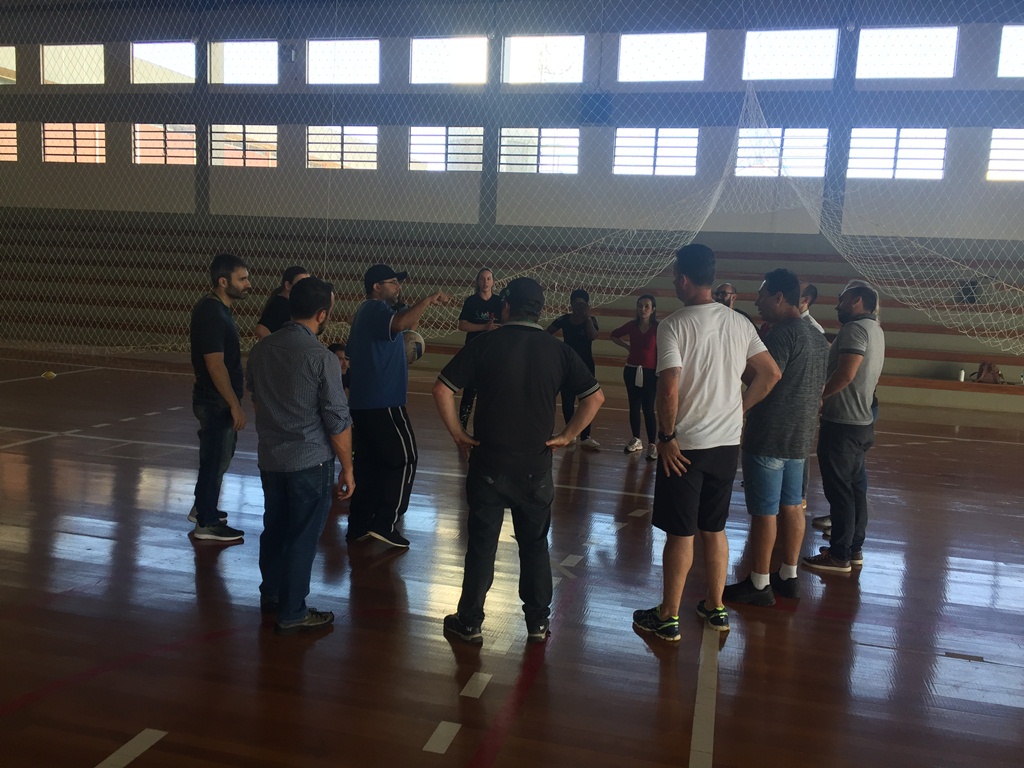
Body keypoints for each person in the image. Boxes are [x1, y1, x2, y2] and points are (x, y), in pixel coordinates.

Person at [432, 277, 605, 645]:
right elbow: (595, 398)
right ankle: (538, 622)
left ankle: (470, 621)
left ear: (506, 307)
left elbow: (442, 388)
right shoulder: (558, 350)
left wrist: (459, 435)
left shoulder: (486, 343)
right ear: (540, 310)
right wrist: (567, 436)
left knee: (482, 545)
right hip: (535, 469)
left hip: (488, 465)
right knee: (535, 545)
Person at [633, 244, 780, 640]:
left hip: (685, 447)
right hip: (726, 444)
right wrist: (740, 409)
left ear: (683, 279)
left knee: (680, 533)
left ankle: (668, 616)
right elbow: (770, 374)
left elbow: (668, 386)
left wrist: (666, 436)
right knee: (714, 529)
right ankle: (716, 608)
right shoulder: (739, 323)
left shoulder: (674, 324)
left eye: (673, 276)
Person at [246, 277, 355, 635]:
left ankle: (272, 594)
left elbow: (256, 398)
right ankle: (293, 611)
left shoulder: (261, 350)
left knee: (274, 529)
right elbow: (337, 421)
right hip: (310, 461)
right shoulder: (322, 358)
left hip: (271, 459)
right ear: (322, 314)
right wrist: (348, 468)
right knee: (303, 536)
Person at [722, 269, 829, 606]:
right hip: (800, 438)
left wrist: (739, 408)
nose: (757, 301)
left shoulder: (782, 334)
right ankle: (789, 575)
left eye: (762, 295)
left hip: (769, 435)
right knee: (793, 505)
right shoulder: (817, 336)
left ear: (779, 298)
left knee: (765, 512)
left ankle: (759, 583)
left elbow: (767, 377)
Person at [345, 264, 450, 548]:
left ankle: (359, 525)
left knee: (369, 464)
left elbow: (403, 326)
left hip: (365, 404)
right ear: (376, 287)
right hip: (384, 402)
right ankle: (385, 523)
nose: (398, 287)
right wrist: (427, 300)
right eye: (392, 282)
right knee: (405, 457)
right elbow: (400, 324)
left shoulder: (367, 314)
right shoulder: (375, 309)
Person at [803, 280, 885, 573]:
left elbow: (847, 372)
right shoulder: (875, 329)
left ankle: (839, 555)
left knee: (840, 492)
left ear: (857, 300)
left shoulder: (854, 329)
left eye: (842, 299)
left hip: (843, 424)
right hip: (861, 423)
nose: (837, 305)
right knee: (855, 489)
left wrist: (819, 396)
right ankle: (854, 548)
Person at [188, 253, 251, 542]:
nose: (248, 284)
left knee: (219, 457)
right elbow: (215, 364)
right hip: (215, 401)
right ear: (223, 282)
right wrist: (233, 404)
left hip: (218, 400)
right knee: (214, 459)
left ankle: (203, 507)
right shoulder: (211, 313)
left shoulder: (219, 309)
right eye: (242, 279)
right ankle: (206, 523)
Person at [546, 288, 601, 449]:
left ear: (587, 305)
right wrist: (557, 350)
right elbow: (547, 333)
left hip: (586, 365)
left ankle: (586, 436)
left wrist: (587, 317)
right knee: (567, 400)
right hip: (567, 364)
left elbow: (593, 336)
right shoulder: (564, 319)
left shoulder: (591, 320)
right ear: (571, 304)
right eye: (575, 304)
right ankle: (571, 434)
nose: (578, 307)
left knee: (587, 399)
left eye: (582, 304)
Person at [610, 294, 659, 461]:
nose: (642, 309)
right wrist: (627, 347)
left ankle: (652, 444)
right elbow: (614, 335)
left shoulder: (658, 327)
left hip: (650, 373)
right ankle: (636, 439)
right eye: (640, 306)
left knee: (648, 408)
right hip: (631, 370)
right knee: (634, 406)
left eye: (646, 306)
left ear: (653, 309)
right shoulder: (632, 325)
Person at [456, 267, 503, 430]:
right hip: (474, 351)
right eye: (482, 278)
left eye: (488, 278)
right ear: (477, 281)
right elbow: (462, 325)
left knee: (490, 392)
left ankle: (488, 428)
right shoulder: (471, 301)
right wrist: (484, 327)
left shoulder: (499, 302)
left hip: (494, 352)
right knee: (469, 391)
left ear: (493, 282)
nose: (485, 282)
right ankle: (462, 427)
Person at [255, 266, 309, 338]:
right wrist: (276, 344)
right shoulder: (280, 304)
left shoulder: (290, 303)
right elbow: (260, 329)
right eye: (301, 284)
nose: (306, 288)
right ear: (288, 285)